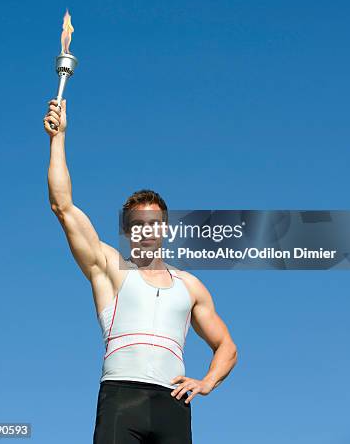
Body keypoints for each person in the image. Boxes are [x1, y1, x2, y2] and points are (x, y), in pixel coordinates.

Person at [43, 98, 238, 444]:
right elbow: (63, 206)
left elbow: (226, 346)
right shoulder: (110, 269)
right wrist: (58, 139)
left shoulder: (190, 286)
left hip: (173, 405)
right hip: (121, 398)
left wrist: (207, 382)